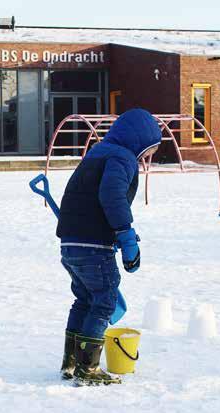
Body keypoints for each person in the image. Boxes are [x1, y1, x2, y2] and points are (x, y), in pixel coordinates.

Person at [56, 108, 162, 386]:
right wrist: (126, 235)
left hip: (70, 243)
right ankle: (87, 369)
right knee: (105, 300)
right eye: (149, 151)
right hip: (93, 245)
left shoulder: (97, 153)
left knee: (84, 300)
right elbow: (112, 196)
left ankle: (71, 362)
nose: (148, 158)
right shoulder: (122, 157)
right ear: (140, 141)